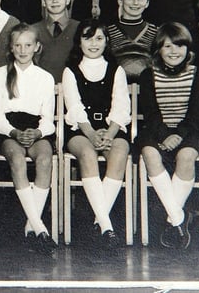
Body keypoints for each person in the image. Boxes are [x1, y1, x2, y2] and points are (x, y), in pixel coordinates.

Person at [135, 22, 199, 249]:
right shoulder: (148, 75)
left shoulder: (197, 73)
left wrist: (178, 135)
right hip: (157, 130)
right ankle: (179, 218)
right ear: (158, 50)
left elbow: (197, 114)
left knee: (186, 156)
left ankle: (170, 221)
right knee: (149, 153)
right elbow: (150, 112)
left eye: (179, 46)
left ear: (187, 48)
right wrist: (165, 134)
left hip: (189, 132)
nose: (174, 51)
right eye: (168, 47)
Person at [62, 19, 131, 249]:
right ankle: (107, 226)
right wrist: (92, 134)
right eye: (87, 38)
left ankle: (98, 223)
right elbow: (75, 107)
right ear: (78, 42)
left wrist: (110, 134)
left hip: (111, 128)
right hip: (82, 130)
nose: (93, 43)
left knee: (119, 153)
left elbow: (121, 106)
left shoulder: (116, 70)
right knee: (88, 155)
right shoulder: (70, 71)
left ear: (107, 41)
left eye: (99, 38)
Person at [0, 23, 57, 257]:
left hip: (36, 129)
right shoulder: (0, 74)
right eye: (17, 45)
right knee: (17, 159)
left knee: (45, 158)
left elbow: (48, 119)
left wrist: (37, 133)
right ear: (10, 48)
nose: (22, 49)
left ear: (37, 47)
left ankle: (32, 226)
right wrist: (15, 133)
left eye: (28, 45)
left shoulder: (46, 78)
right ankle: (39, 227)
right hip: (10, 130)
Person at [107, 0, 158, 83]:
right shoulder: (107, 32)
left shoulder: (157, 32)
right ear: (120, 0)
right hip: (116, 93)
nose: (136, 2)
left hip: (147, 93)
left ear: (147, 2)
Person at [32, 0, 79, 84]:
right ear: (43, 2)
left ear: (68, 0)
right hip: (42, 87)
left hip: (72, 88)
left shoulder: (79, 28)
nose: (55, 1)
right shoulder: (33, 30)